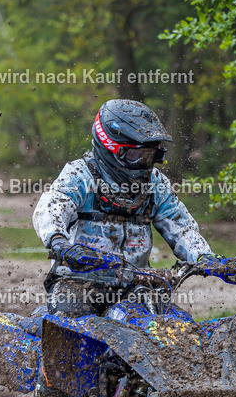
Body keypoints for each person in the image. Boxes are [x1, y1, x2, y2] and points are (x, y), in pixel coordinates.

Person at [32, 99, 222, 316]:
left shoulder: (156, 184)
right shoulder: (79, 175)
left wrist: (205, 257)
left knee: (175, 323)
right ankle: (40, 329)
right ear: (110, 147)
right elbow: (53, 205)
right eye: (134, 155)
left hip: (136, 285)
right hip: (78, 282)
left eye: (150, 156)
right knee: (72, 325)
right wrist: (58, 241)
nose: (143, 164)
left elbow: (181, 229)